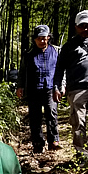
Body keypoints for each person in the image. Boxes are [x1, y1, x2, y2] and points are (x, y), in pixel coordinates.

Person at [53, 9, 88, 154]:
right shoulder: (69, 46)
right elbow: (59, 68)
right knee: (78, 122)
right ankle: (82, 154)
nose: (84, 29)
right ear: (76, 27)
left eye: (87, 26)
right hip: (76, 88)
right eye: (81, 26)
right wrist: (57, 87)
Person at [16, 24, 60, 153]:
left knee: (51, 113)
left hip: (51, 88)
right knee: (35, 117)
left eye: (44, 38)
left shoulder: (56, 51)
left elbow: (61, 71)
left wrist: (61, 86)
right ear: (34, 39)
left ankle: (53, 141)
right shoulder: (29, 54)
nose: (42, 41)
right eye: (39, 38)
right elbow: (22, 72)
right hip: (34, 89)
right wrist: (20, 86)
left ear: (48, 38)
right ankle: (37, 143)